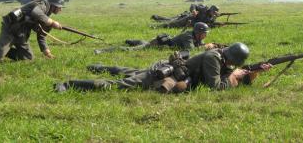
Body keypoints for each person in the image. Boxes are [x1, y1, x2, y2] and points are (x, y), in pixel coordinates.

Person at [54, 42, 272, 93]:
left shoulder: (222, 58)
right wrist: (234, 76)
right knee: (122, 85)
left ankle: (99, 65)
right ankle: (67, 83)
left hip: (173, 70)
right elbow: (215, 86)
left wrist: (253, 72)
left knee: (129, 71)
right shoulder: (213, 59)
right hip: (165, 72)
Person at [0, 0, 64, 61]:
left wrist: (47, 53)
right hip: (10, 28)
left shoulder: (46, 16)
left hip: (21, 34)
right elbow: (36, 12)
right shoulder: (43, 4)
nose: (61, 9)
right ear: (54, 6)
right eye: (59, 7)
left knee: (28, 58)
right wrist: (51, 22)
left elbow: (41, 36)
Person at [94, 22, 212, 54]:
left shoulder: (196, 37)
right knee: (131, 50)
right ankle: (102, 51)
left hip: (163, 43)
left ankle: (131, 41)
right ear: (198, 32)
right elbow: (190, 51)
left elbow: (198, 45)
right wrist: (205, 47)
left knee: (142, 43)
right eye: (205, 33)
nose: (206, 35)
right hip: (159, 45)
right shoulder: (188, 36)